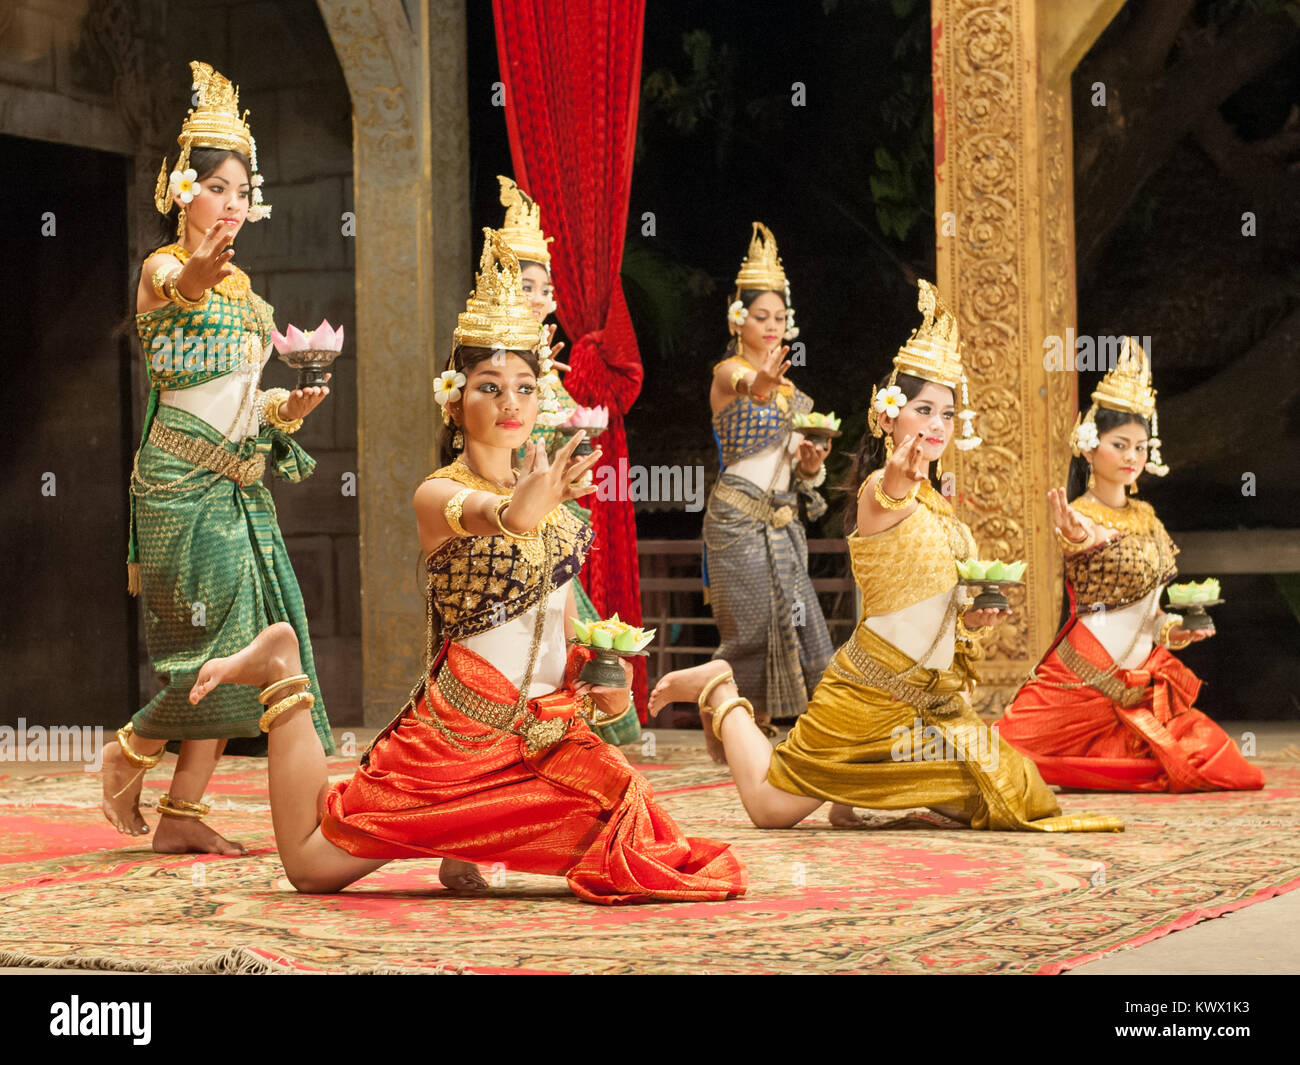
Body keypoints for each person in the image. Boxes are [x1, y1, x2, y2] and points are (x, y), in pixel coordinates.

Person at [185, 230, 746, 902]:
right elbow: (493, 515)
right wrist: (519, 507)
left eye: (524, 387)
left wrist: (608, 682)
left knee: (647, 849)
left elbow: (569, 640)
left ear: (541, 400)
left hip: (543, 738)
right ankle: (280, 665)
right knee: (311, 867)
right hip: (454, 736)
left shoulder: (566, 514)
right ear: (456, 401)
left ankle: (466, 841)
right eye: (489, 386)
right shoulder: (439, 493)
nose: (511, 402)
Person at [652, 281, 1123, 833]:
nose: (936, 425)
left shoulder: (941, 507)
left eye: (946, 413)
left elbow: (943, 607)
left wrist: (973, 617)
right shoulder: (882, 489)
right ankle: (721, 688)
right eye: (922, 409)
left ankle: (855, 791)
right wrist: (900, 474)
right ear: (888, 418)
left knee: (1021, 796)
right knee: (770, 809)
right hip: (867, 691)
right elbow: (887, 494)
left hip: (931, 703)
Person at [100, 61, 334, 856]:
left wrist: (285, 411)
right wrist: (195, 273)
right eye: (219, 188)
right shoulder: (165, 269)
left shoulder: (251, 297)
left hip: (237, 485)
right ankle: (131, 746)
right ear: (181, 189)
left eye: (242, 191)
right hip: (177, 483)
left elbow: (243, 398)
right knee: (215, 645)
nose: (233, 205)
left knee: (238, 642)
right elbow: (177, 286)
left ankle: (180, 814)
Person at [997, 339, 1263, 792]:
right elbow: (1082, 538)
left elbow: (1153, 609)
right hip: (1082, 679)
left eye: (1140, 447)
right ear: (1089, 446)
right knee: (993, 762)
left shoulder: (1146, 516)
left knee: (1228, 767)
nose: (1131, 458)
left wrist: (1175, 632)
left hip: (1139, 686)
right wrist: (1080, 536)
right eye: (1119, 445)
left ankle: (1086, 767)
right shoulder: (1080, 514)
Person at [700, 223, 833, 757]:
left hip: (781, 519)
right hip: (736, 519)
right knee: (750, 632)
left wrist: (811, 464)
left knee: (803, 625)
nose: (772, 325)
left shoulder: (794, 393)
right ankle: (725, 727)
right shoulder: (728, 370)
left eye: (780, 317)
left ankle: (798, 733)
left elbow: (795, 471)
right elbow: (742, 385)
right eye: (761, 316)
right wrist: (760, 386)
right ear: (740, 319)